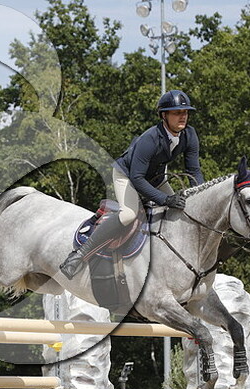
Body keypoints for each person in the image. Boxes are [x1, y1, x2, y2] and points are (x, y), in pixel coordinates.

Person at [60, 89, 205, 279]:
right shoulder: (150, 138)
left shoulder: (189, 134)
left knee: (178, 212)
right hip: (127, 176)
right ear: (164, 115)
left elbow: (193, 170)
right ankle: (78, 255)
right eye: (177, 112)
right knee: (128, 214)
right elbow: (137, 178)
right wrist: (166, 199)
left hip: (156, 177)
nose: (183, 116)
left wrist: (200, 195)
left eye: (185, 112)